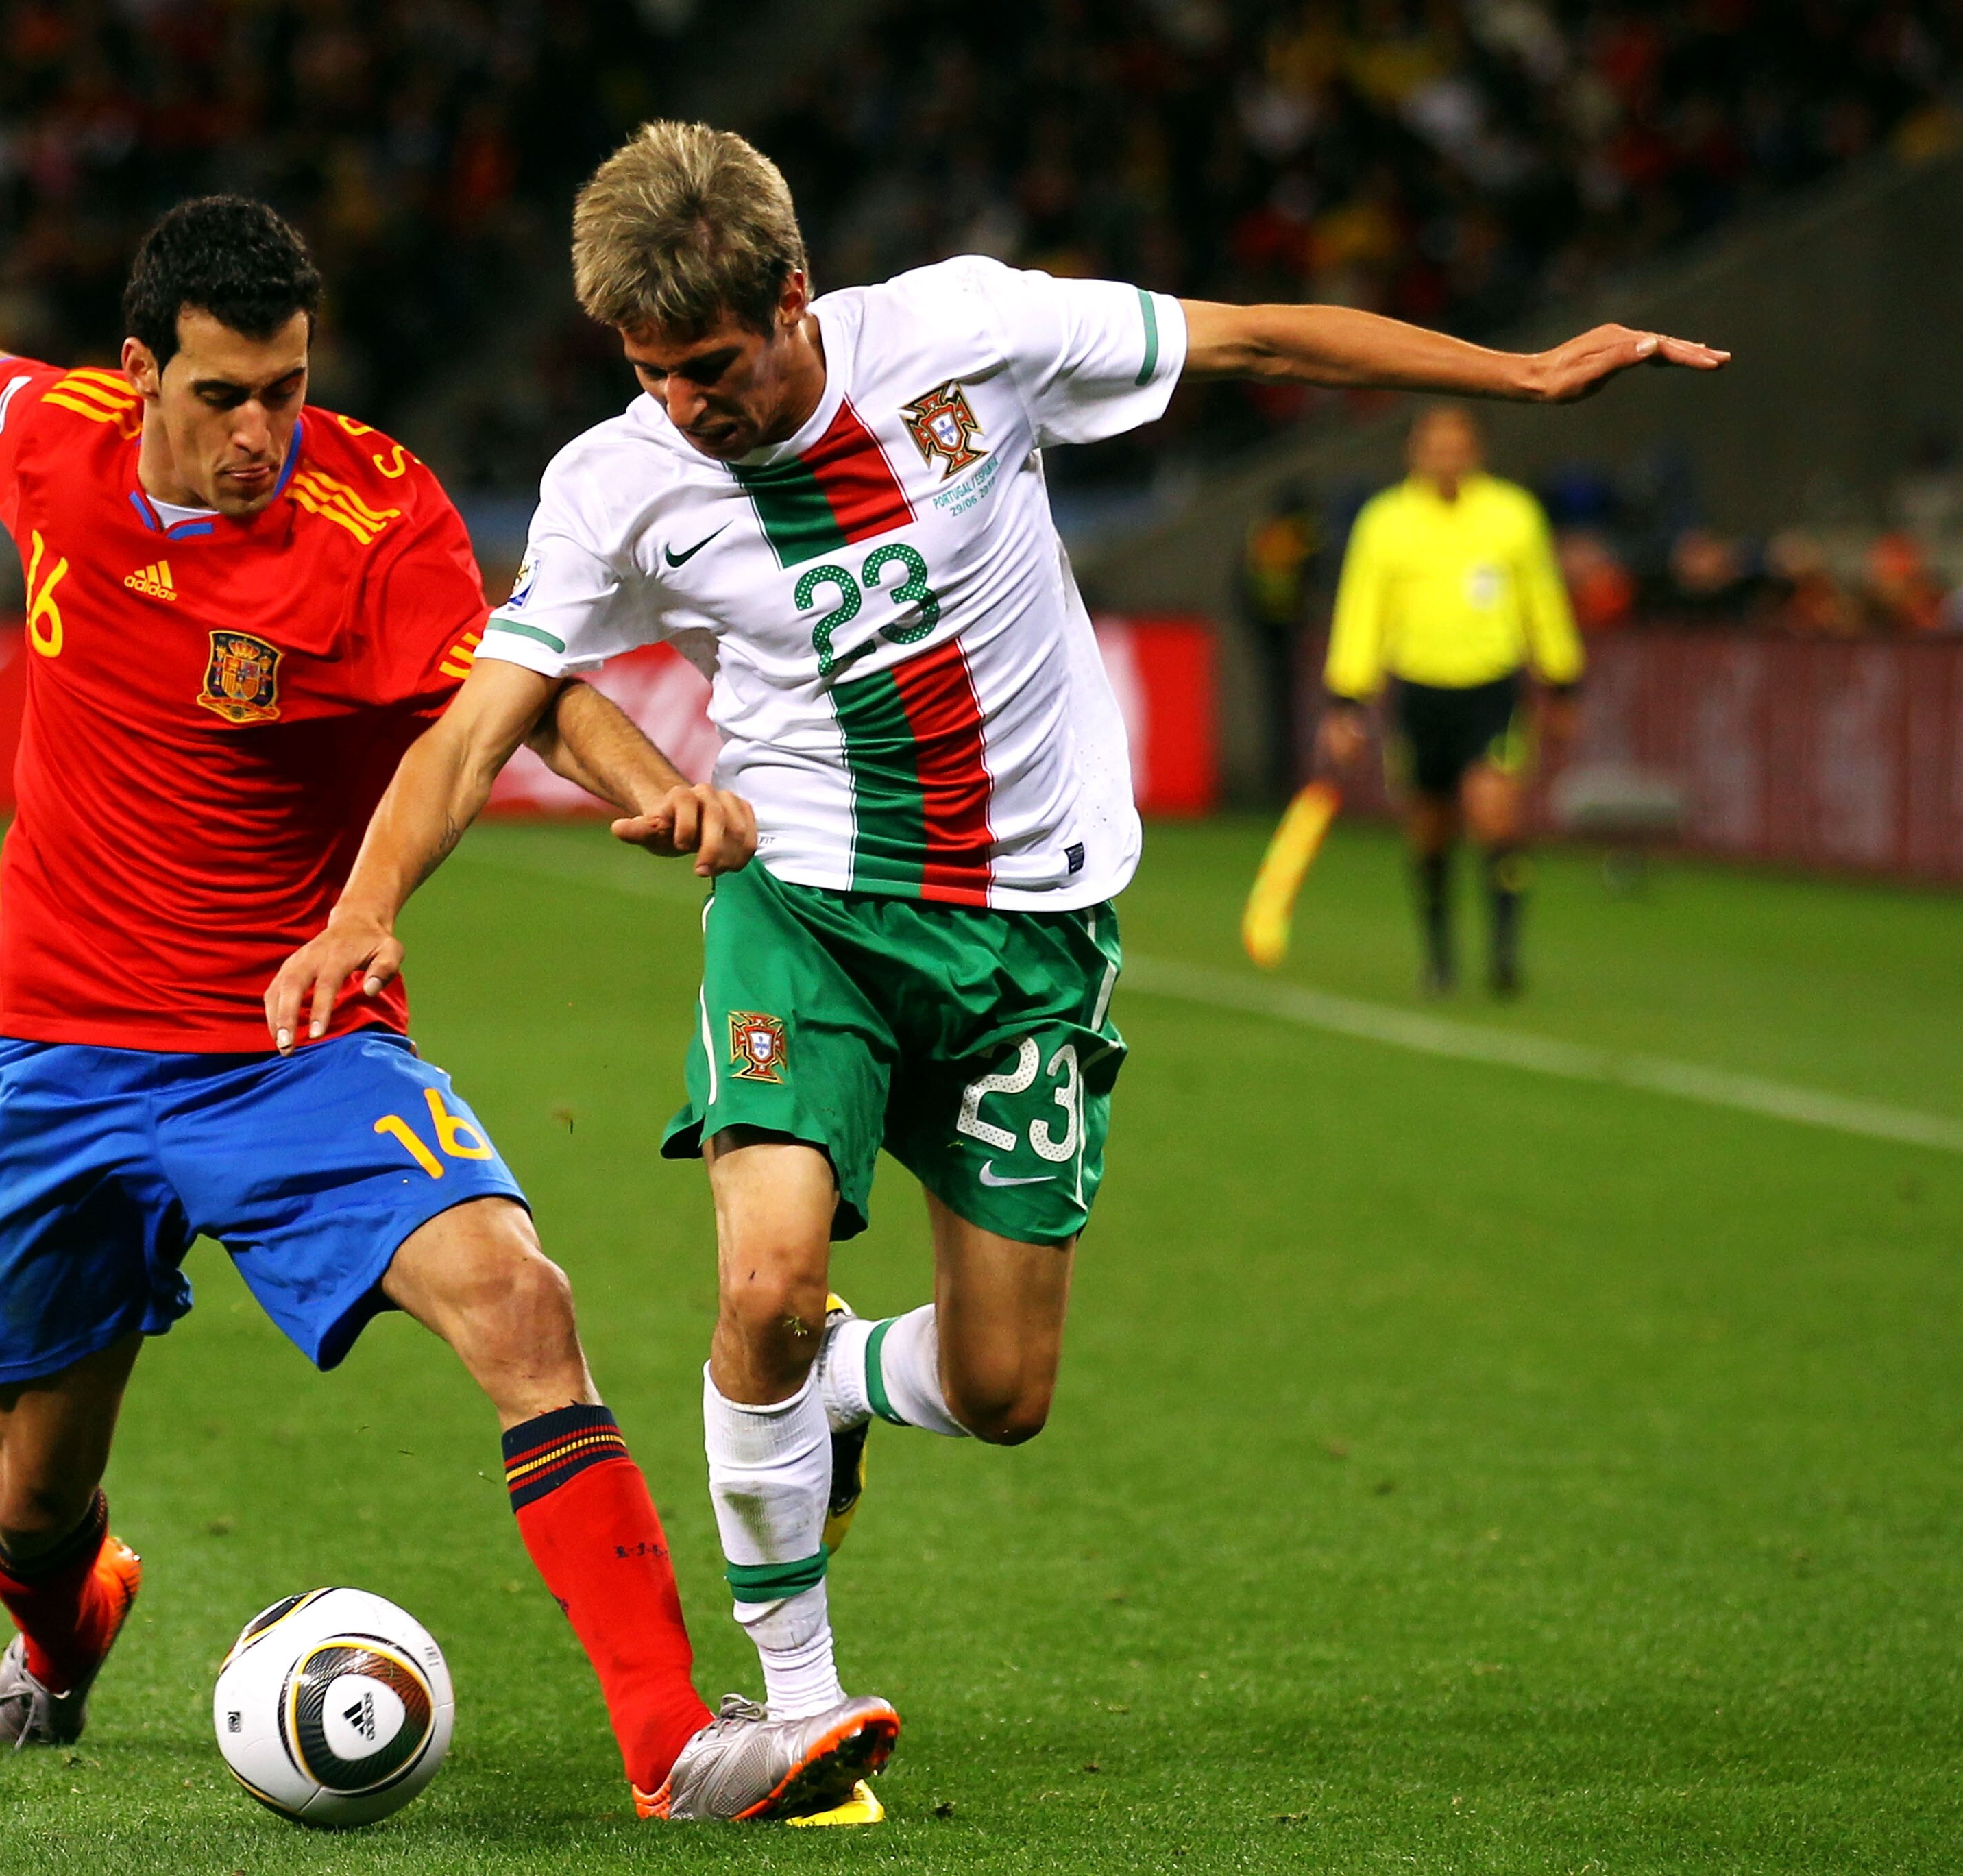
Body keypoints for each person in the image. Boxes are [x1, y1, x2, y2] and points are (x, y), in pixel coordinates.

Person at [269, 119, 1724, 1794]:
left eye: (710, 365)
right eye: (649, 371)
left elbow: (1247, 334)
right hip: (804, 907)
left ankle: (833, 1401)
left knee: (1003, 1386)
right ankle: (794, 1698)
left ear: (795, 297)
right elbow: (480, 725)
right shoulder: (620, 486)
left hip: (1032, 926)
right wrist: (368, 905)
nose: (683, 403)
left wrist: (1526, 376)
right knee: (762, 1287)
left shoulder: (969, 333)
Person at [0, 198, 886, 1824]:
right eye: (224, 396)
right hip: (62, 1055)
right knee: (32, 1497)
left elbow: (512, 690)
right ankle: (67, 1617)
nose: (263, 432)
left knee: (519, 1304)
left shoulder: (372, 519)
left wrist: (656, 784)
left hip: (290, 1042)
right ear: (138, 377)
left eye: (287, 389)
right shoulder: (60, 443)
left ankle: (673, 1740)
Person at [1321, 406, 1586, 997]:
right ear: (1415, 451)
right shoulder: (1386, 521)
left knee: (1496, 814)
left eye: (1457, 444)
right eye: (1435, 444)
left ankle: (1504, 954)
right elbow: (1362, 611)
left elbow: (1542, 599)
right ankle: (1439, 957)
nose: (1446, 455)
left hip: (1491, 690)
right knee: (1430, 828)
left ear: (1477, 451)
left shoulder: (1512, 515)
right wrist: (1347, 697)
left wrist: (1562, 680)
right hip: (1419, 693)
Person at [1238, 483, 1322, 803]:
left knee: (1277, 705)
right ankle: (1289, 776)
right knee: (1290, 706)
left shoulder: (1263, 535)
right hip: (1289, 631)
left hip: (1267, 631)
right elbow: (1311, 580)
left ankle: (1279, 776)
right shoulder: (1302, 537)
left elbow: (1244, 583)